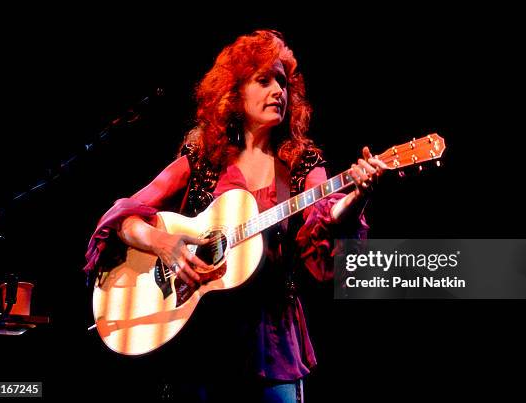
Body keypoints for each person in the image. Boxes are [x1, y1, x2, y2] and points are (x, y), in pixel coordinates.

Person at [84, 29, 386, 402]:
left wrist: (356, 195)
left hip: (270, 342)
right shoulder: (202, 161)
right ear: (234, 94)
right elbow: (122, 218)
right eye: (264, 80)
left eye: (282, 81)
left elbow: (323, 223)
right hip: (200, 340)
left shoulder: (300, 163)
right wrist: (162, 242)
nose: (279, 90)